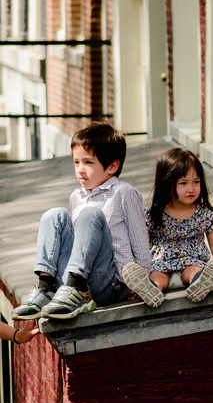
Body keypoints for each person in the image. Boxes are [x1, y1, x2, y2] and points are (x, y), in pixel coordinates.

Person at [11, 123, 152, 321]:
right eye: (76, 162)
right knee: (55, 214)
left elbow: (141, 249)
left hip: (108, 284)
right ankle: (46, 287)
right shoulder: (76, 196)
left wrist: (139, 287)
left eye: (88, 162)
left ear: (112, 166)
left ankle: (78, 290)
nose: (80, 170)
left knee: (91, 215)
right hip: (71, 284)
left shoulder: (124, 193)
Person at [123, 147, 213, 307]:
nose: (191, 189)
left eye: (196, 182)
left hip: (192, 262)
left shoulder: (204, 213)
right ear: (167, 184)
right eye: (183, 183)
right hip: (161, 265)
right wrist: (142, 270)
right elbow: (141, 245)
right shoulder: (154, 214)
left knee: (193, 271)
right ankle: (150, 289)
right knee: (158, 277)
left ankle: (200, 283)